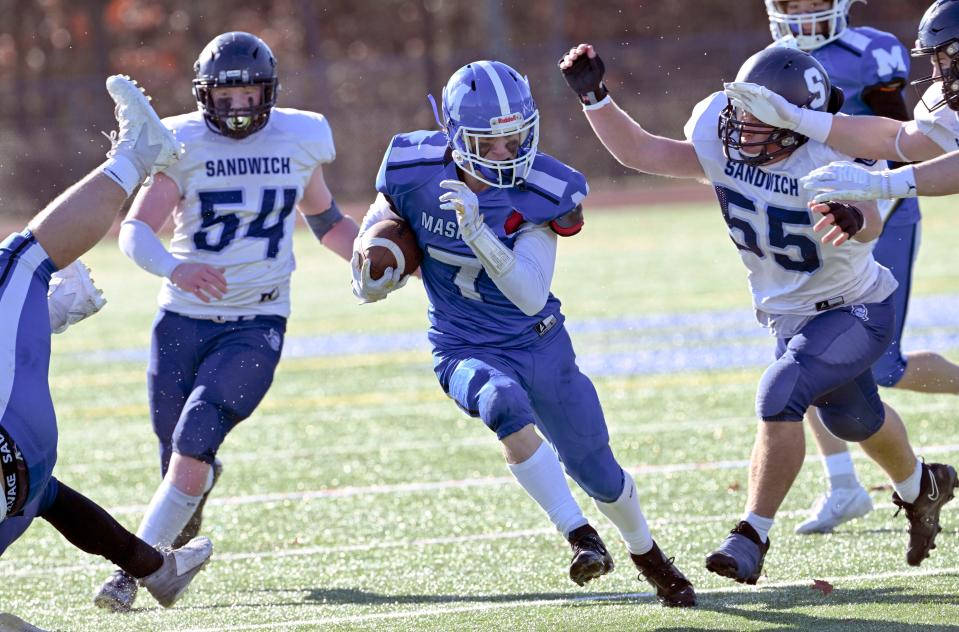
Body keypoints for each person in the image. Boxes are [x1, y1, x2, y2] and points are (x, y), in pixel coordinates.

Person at [559, 43, 957, 583]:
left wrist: (852, 216)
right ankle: (922, 488)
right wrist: (595, 98)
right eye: (742, 110)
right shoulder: (719, 130)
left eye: (759, 118)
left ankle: (751, 535)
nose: (741, 126)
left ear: (798, 125)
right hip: (790, 314)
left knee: (781, 393)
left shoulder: (830, 152)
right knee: (853, 417)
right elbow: (644, 152)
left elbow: (872, 221)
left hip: (856, 308)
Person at [351, 59, 695, 607]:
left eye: (516, 138)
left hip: (539, 341)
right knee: (501, 402)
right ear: (457, 138)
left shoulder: (544, 188)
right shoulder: (411, 165)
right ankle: (581, 538)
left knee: (600, 472)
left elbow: (531, 291)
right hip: (461, 343)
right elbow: (381, 221)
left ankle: (647, 552)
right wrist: (371, 271)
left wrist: (478, 231)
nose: (508, 154)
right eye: (491, 144)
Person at [92, 32, 358, 612]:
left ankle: (132, 574)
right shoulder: (180, 140)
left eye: (248, 93)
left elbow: (328, 222)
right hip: (181, 320)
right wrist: (173, 268)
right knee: (177, 456)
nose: (238, 106)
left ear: (269, 91)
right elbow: (135, 231)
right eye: (226, 94)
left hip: (257, 319)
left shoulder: (300, 137)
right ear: (204, 95)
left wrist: (382, 259)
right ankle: (183, 518)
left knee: (195, 437)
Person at [0, 74, 212, 624]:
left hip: (20, 483)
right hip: (15, 454)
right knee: (20, 261)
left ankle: (152, 567)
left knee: (40, 495)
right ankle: (137, 155)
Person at [762, 0, 958, 536]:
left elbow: (912, 148)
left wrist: (881, 185)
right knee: (809, 343)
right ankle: (843, 483)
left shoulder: (871, 51)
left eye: (947, 58)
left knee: (876, 363)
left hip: (881, 209)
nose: (939, 72)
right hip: (825, 211)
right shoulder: (770, 60)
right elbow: (905, 139)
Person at [751, 0, 959, 202]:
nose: (935, 76)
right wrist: (799, 119)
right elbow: (897, 139)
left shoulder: (866, 49)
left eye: (941, 61)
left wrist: (883, 184)